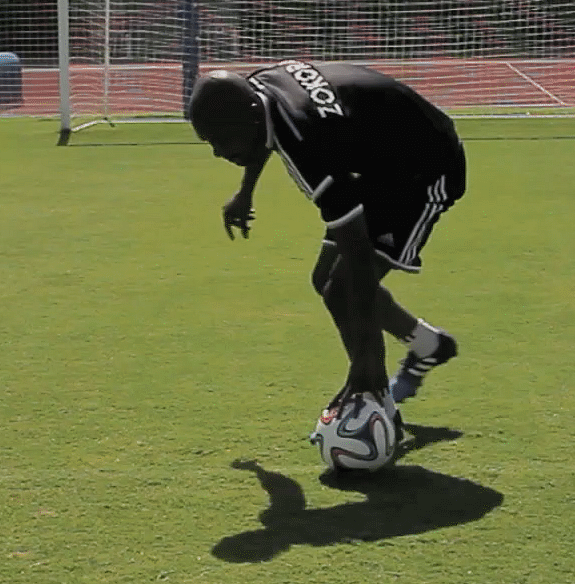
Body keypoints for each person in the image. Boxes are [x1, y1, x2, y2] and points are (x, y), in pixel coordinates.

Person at [186, 60, 465, 450]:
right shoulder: (257, 91)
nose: (217, 151)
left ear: (247, 117)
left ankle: (375, 401)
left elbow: (358, 260)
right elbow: (266, 133)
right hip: (375, 160)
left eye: (220, 138)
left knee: (344, 285)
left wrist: (365, 369)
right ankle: (426, 347)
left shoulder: (310, 143)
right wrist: (246, 190)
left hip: (423, 168)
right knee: (327, 282)